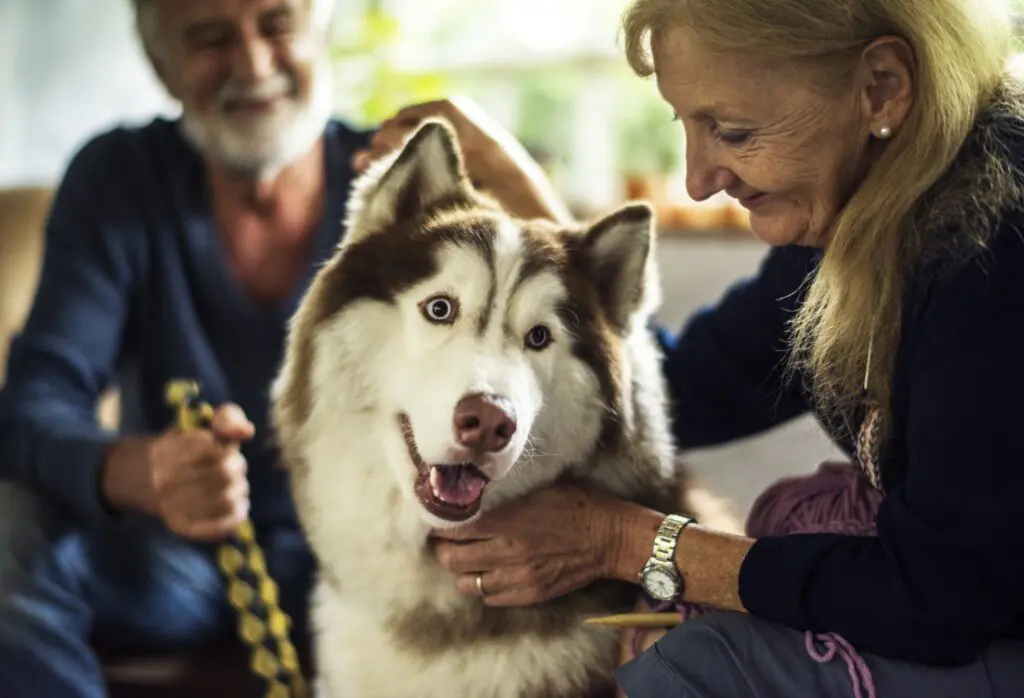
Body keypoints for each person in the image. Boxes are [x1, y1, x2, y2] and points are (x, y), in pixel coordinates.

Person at [353, 0, 1024, 696]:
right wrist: (540, 223)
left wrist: (631, 543)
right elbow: (682, 390)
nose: (701, 180)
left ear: (881, 85)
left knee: (696, 664)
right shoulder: (854, 222)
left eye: (731, 131)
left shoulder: (997, 250)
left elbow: (945, 594)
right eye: (687, 124)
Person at [0, 0, 374, 695]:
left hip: (383, 567)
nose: (254, 64)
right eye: (208, 38)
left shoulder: (394, 174)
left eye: (277, 24)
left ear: (321, 33)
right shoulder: (117, 177)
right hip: (175, 566)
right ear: (161, 66)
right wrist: (136, 470)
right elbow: (32, 405)